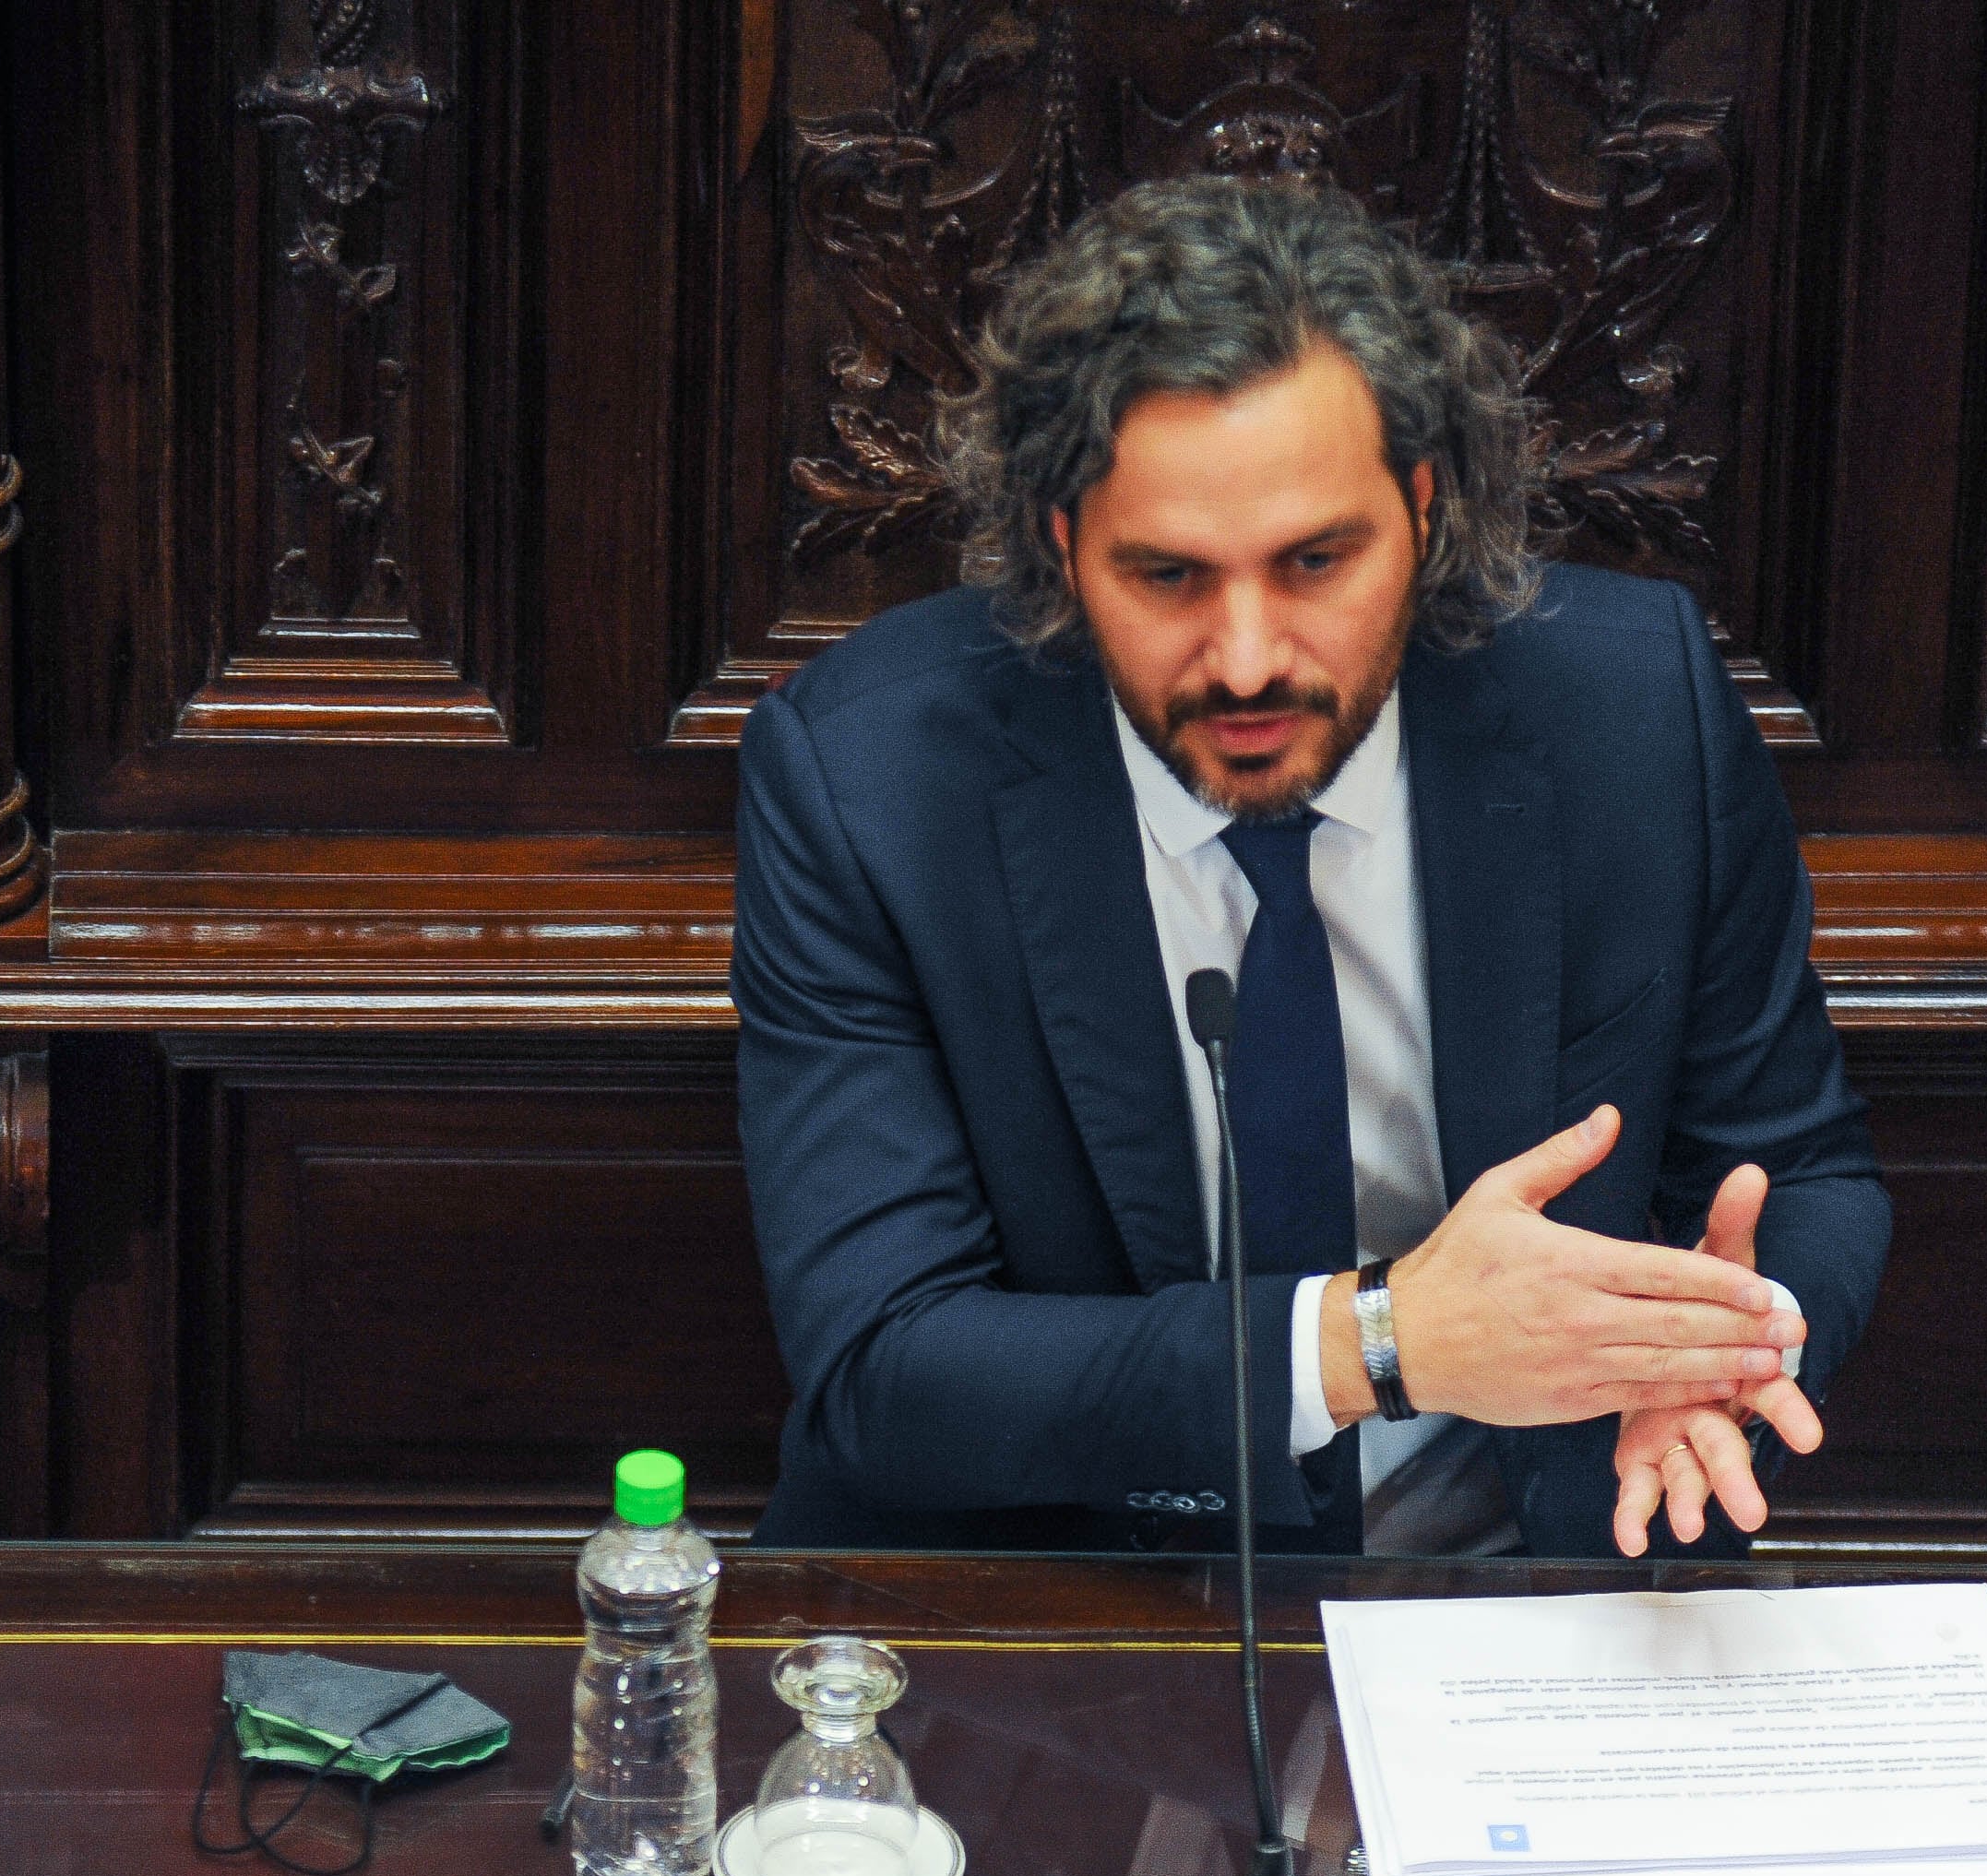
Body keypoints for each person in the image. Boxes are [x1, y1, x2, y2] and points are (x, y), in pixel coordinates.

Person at [732, 175, 1887, 1560]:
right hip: (1063, 1596)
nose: (1244, 657)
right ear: (1061, 542)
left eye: (1313, 562)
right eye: (1166, 576)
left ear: (1422, 506)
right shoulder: (866, 778)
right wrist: (1381, 1343)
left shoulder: (1632, 714)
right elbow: (884, 1365)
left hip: (1533, 1586)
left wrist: (1716, 1367)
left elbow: (1801, 1173)